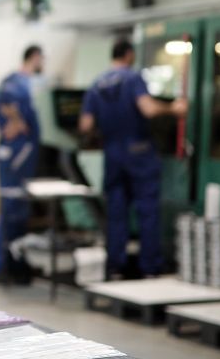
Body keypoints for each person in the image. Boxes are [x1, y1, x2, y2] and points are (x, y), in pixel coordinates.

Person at [79, 40, 186, 278]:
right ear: (129, 55)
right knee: (147, 210)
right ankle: (150, 267)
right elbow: (148, 109)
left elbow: (85, 125)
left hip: (112, 155)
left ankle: (115, 266)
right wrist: (174, 109)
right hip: (139, 152)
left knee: (116, 212)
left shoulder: (96, 84)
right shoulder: (133, 78)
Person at [0, 45, 43, 284]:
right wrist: (16, 124)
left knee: (18, 213)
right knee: (11, 213)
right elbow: (3, 105)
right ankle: (3, 268)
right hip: (16, 156)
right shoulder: (16, 82)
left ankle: (15, 265)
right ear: (35, 57)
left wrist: (3, 129)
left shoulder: (18, 82)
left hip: (19, 154)